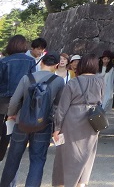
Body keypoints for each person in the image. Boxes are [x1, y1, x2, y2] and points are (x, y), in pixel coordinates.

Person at [0, 53, 65, 187]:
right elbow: (59, 106)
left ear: (41, 63)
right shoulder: (58, 81)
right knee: (37, 161)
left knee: (13, 159)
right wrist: (53, 122)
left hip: (22, 123)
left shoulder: (27, 78)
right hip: (43, 125)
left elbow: (14, 101)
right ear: (56, 65)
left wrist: (12, 114)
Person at [51, 54, 105, 187]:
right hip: (92, 120)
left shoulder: (73, 82)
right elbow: (101, 101)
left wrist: (57, 128)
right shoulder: (101, 81)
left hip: (72, 120)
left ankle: (64, 182)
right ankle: (81, 182)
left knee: (66, 153)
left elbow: (62, 108)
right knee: (88, 153)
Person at [0, 36, 37, 162]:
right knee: (16, 129)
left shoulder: (4, 61)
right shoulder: (31, 61)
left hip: (4, 100)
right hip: (22, 100)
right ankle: (10, 157)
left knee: (3, 127)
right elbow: (32, 81)